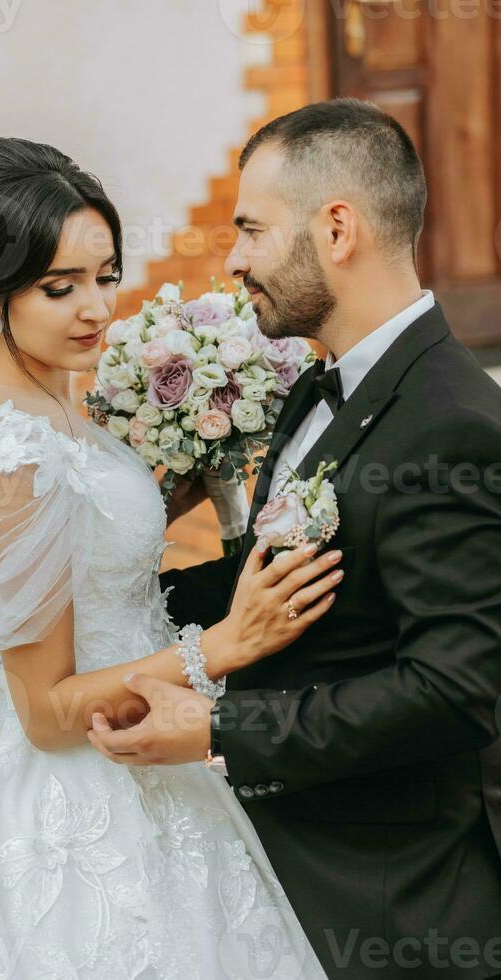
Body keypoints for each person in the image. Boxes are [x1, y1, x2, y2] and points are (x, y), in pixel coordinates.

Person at [0, 136, 339, 979]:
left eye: (105, 275)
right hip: (71, 791)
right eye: (58, 287)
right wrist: (223, 645)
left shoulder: (40, 402)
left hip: (139, 746)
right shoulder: (13, 455)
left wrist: (174, 494)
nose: (95, 308)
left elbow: (82, 559)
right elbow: (43, 711)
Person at [90, 99, 501, 980]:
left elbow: (454, 689)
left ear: (337, 228)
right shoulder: (323, 387)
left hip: (382, 905)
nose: (233, 259)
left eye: (251, 230)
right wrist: (100, 604)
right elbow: (265, 582)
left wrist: (223, 728)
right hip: (274, 864)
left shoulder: (450, 424)